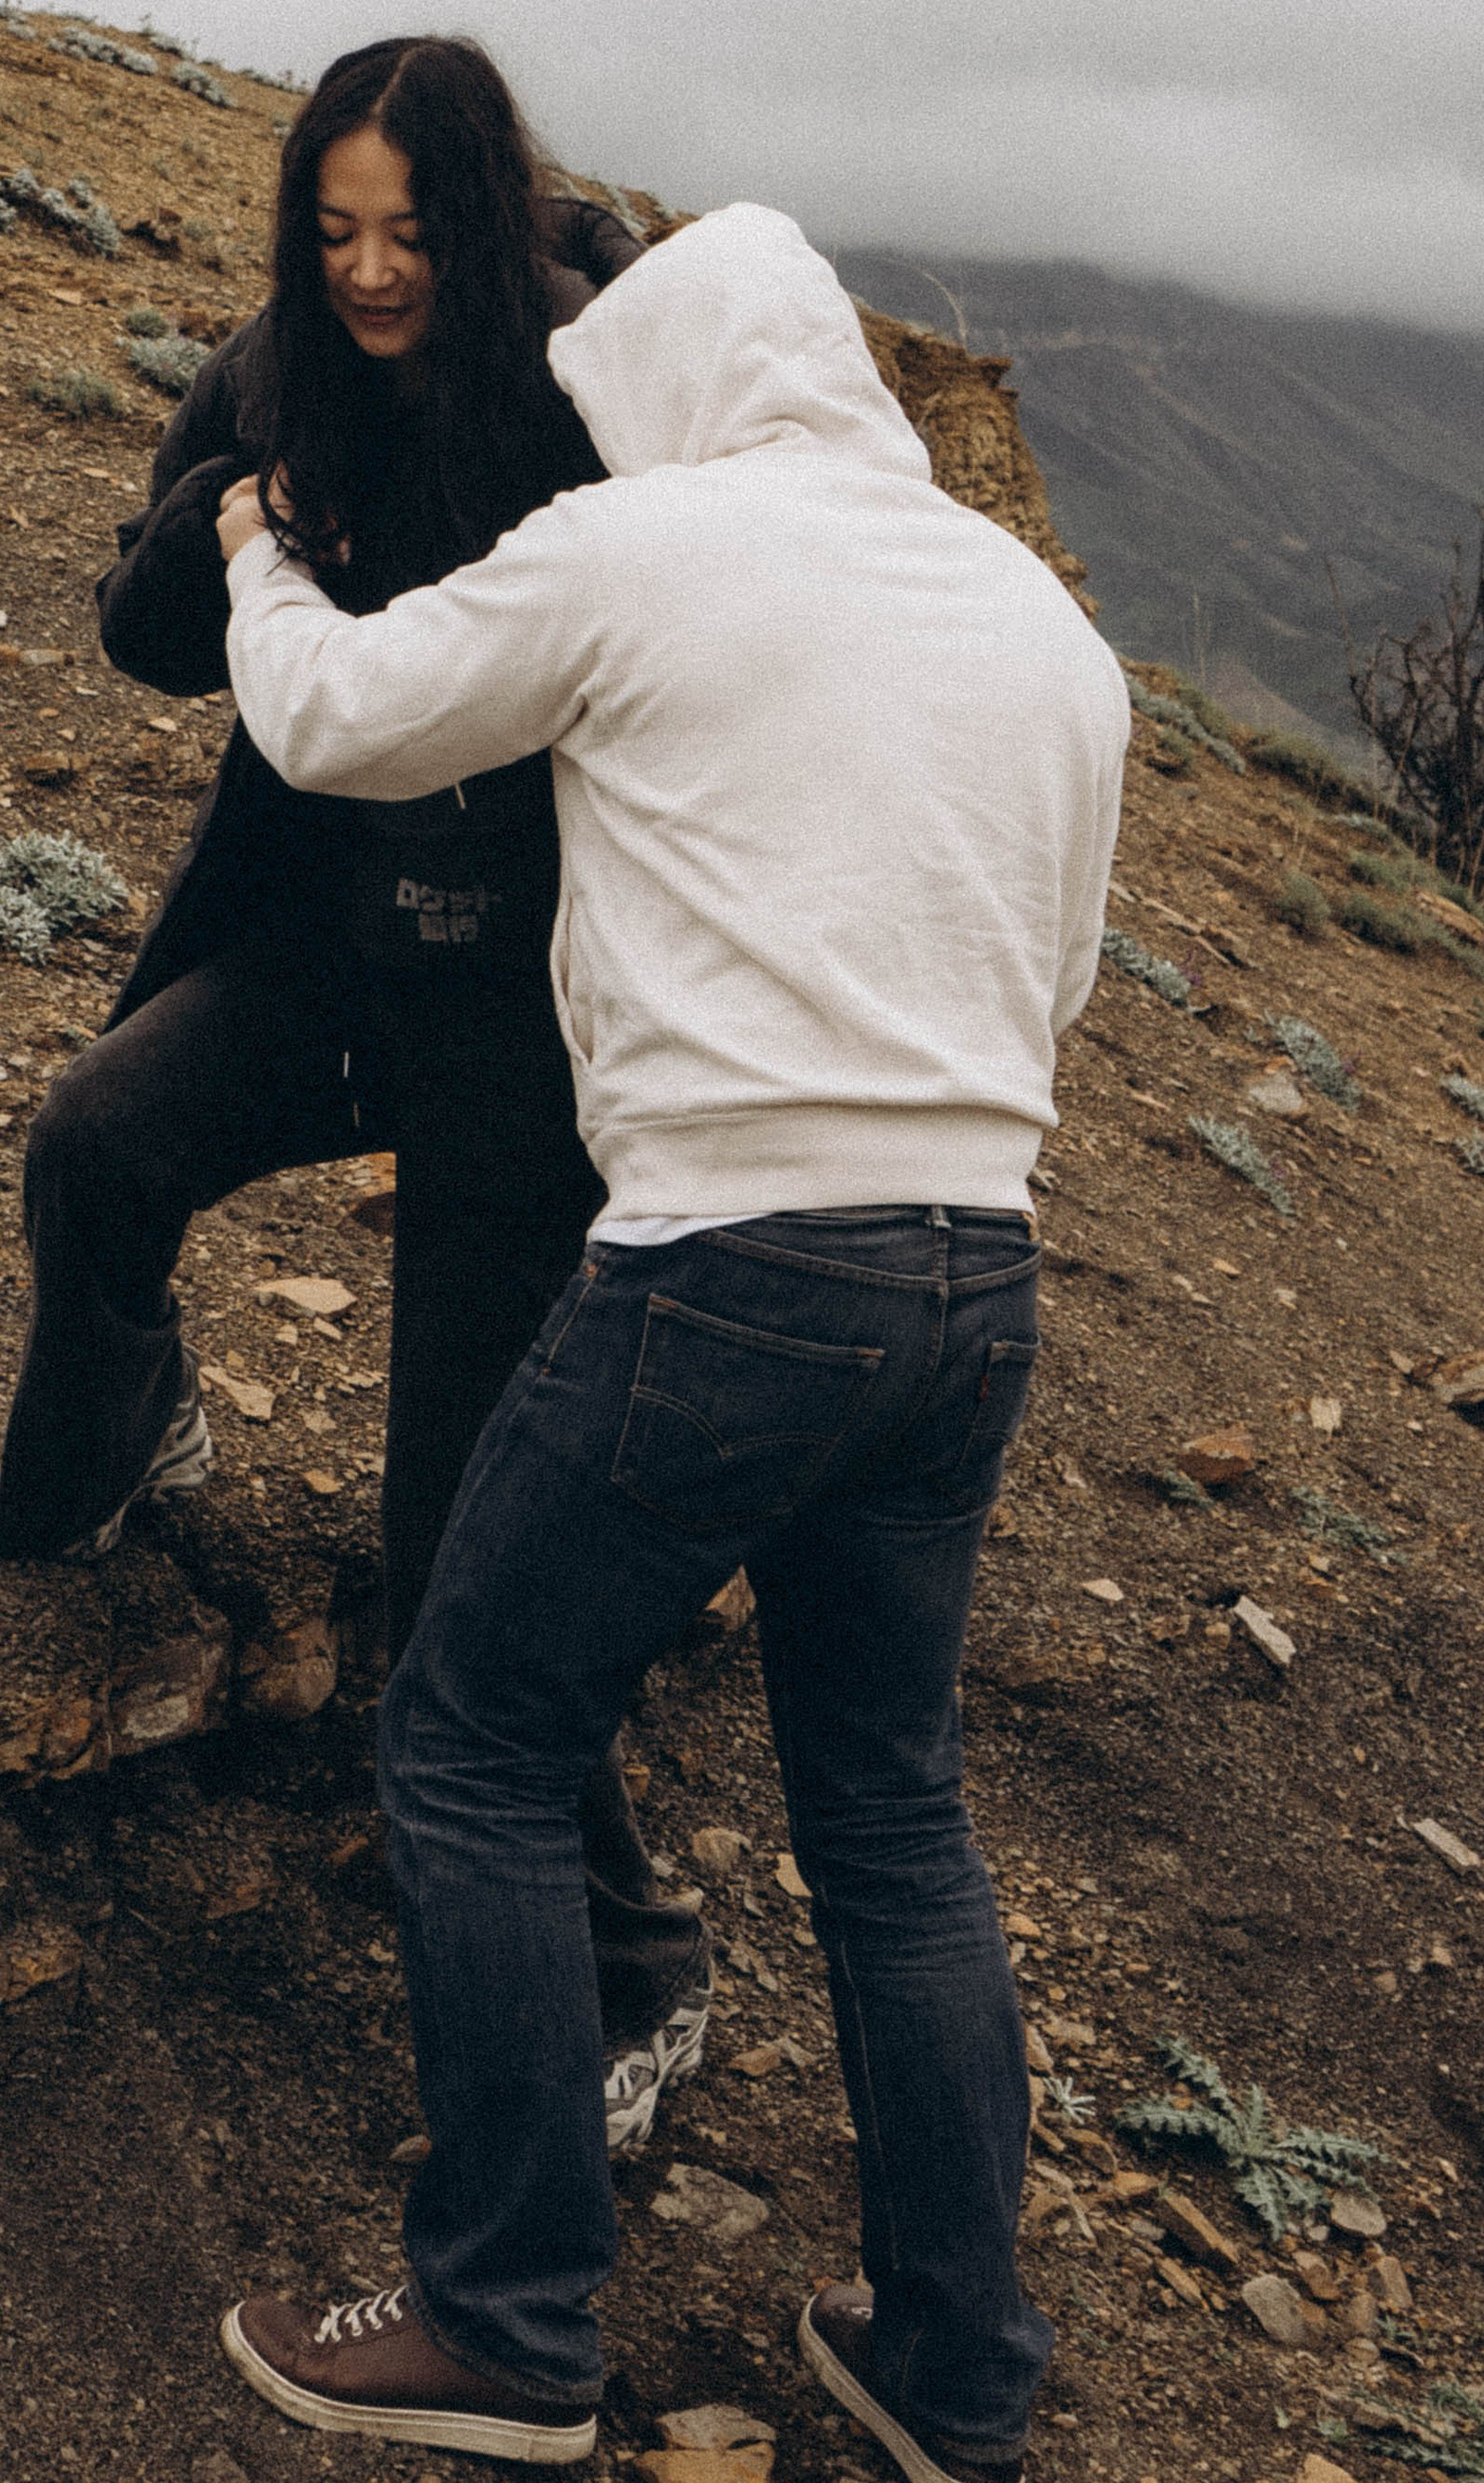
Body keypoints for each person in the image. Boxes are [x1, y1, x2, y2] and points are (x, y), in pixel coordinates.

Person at [211, 203, 1129, 2480]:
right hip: (971, 1275)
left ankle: (503, 2319)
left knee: (472, 1739)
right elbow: (1056, 977)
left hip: (731, 1263)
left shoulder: (643, 549)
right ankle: (952, 2367)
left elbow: (331, 721)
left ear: (666, 388)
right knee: (890, 1814)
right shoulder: (1038, 623)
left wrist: (252, 552)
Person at [0, 33, 712, 2137]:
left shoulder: (590, 388)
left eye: (407, 232)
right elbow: (141, 637)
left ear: (480, 218)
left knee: (452, 1538)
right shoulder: (275, 367)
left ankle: (630, 1977)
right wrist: (226, 518)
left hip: (531, 1012)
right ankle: (119, 1429)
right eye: (332, 230)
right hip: (324, 950)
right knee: (99, 1139)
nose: (370, 271)